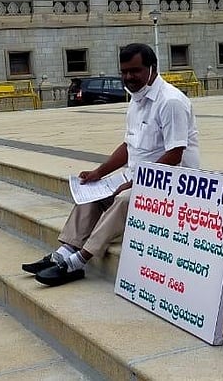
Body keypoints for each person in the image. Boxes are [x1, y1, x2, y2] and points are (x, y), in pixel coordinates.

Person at [22, 43, 200, 287]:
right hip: (138, 178)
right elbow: (129, 146)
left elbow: (175, 154)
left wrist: (134, 183)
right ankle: (63, 253)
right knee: (91, 192)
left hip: (171, 184)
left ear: (152, 68)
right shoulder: (136, 101)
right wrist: (99, 172)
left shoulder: (170, 102)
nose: (129, 77)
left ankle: (79, 260)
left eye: (135, 71)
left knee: (125, 198)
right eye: (124, 71)